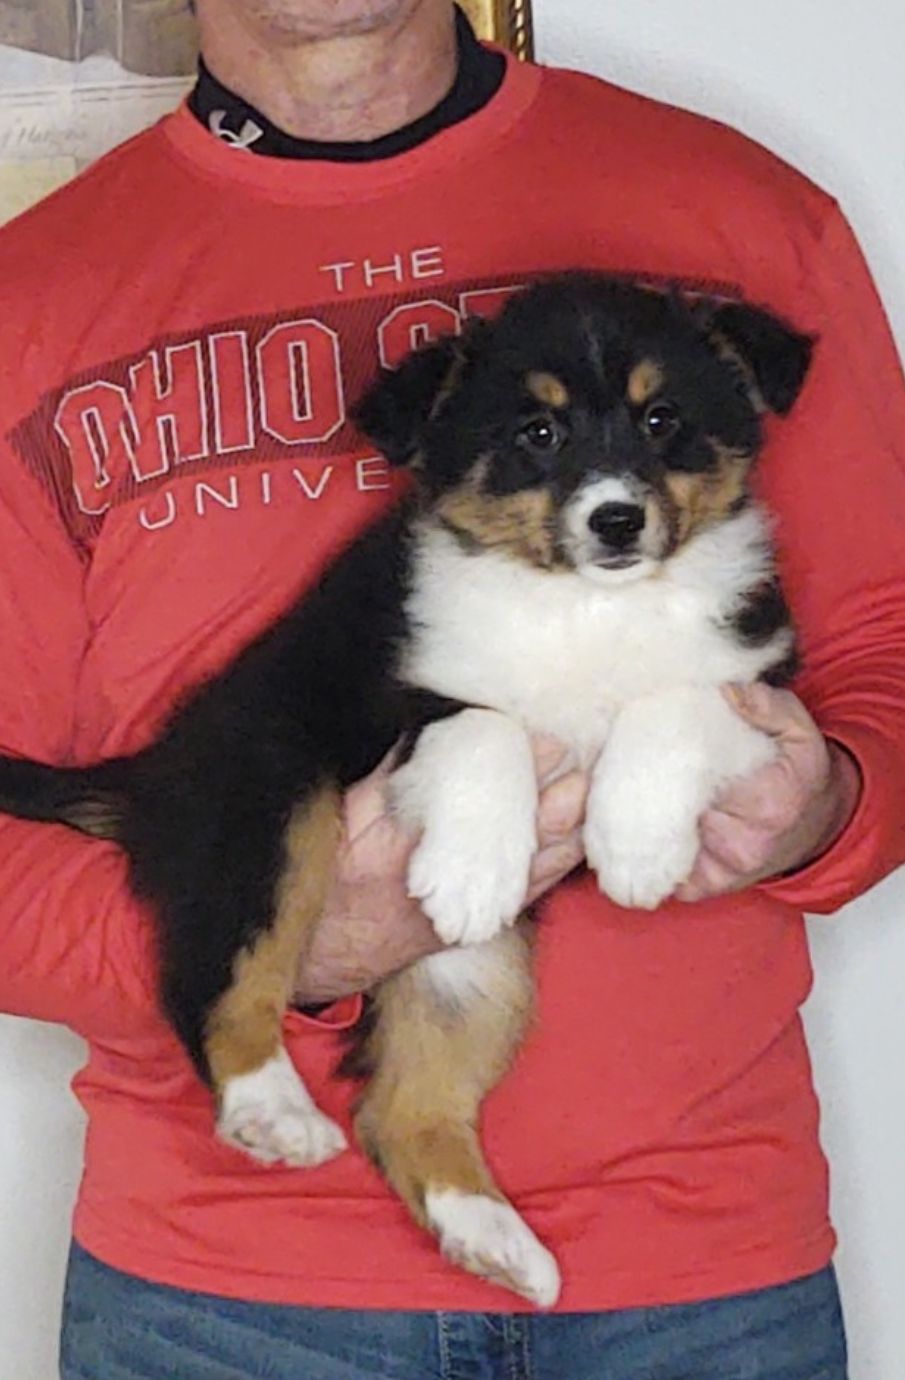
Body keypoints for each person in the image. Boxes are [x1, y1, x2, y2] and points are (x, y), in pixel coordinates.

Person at [0, 1, 901, 1376]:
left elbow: (886, 648)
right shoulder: (28, 298)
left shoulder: (742, 216)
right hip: (219, 1300)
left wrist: (830, 807)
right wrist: (283, 939)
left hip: (699, 1271)